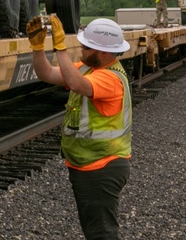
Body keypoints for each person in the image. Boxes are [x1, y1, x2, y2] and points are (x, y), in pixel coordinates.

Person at [26, 16, 131, 240]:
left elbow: (75, 84)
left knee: (101, 233)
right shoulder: (87, 69)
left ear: (102, 52)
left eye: (85, 47)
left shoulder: (110, 78)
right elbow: (47, 74)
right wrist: (37, 48)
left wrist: (60, 47)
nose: (81, 50)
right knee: (95, 230)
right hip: (89, 164)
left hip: (101, 166)